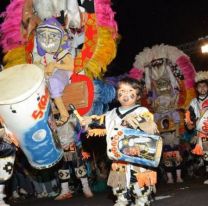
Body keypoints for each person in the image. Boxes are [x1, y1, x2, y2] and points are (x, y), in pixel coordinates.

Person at [80, 77, 159, 206]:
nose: (125, 94)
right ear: (117, 95)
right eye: (122, 91)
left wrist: (137, 120)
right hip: (118, 160)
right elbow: (99, 120)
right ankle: (122, 201)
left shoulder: (142, 111)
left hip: (137, 159)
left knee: (140, 189)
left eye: (130, 90)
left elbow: (151, 127)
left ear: (138, 95)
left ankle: (142, 202)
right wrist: (89, 120)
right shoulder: (111, 113)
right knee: (119, 189)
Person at [32, 17, 74, 126]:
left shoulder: (61, 51)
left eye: (51, 36)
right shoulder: (39, 53)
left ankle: (64, 114)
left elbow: (71, 66)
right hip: (46, 77)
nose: (47, 40)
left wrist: (54, 64)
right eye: (43, 36)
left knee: (54, 81)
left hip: (62, 74)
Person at [185, 71, 208, 184]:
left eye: (204, 86)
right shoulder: (194, 102)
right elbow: (188, 115)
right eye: (200, 86)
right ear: (196, 89)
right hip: (202, 132)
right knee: (207, 154)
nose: (202, 88)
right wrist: (189, 123)